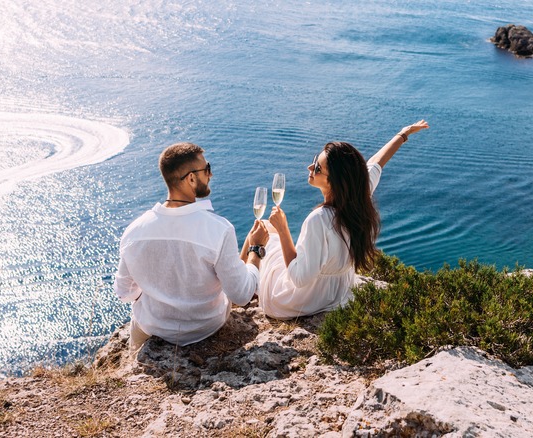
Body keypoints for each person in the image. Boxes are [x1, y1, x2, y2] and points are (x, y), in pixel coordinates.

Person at [257, 120, 429, 319]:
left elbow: (298, 278)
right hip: (337, 295)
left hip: (298, 301)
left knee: (266, 233)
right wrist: (404, 133)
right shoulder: (359, 198)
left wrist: (283, 230)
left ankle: (239, 290)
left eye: (318, 168)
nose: (309, 167)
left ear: (335, 181)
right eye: (315, 160)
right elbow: (376, 163)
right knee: (269, 233)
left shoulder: (318, 220)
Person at [114, 142, 269, 350]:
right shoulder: (218, 229)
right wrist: (255, 249)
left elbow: (124, 293)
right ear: (191, 178)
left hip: (152, 329)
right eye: (207, 169)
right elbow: (241, 295)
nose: (210, 175)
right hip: (206, 328)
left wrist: (158, 293)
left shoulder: (134, 231)